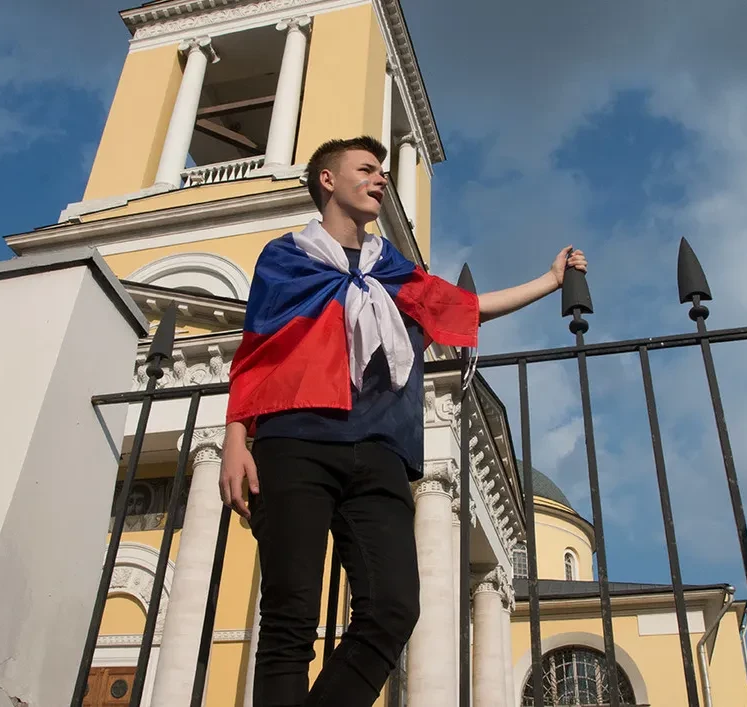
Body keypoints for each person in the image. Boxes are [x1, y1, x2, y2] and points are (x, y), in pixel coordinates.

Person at [219, 135, 587, 707]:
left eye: (383, 171)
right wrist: (235, 438)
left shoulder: (393, 270)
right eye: (366, 168)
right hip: (295, 440)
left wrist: (550, 281)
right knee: (290, 616)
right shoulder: (285, 257)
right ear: (328, 181)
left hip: (379, 450)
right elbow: (257, 351)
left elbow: (466, 308)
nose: (380, 177)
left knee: (393, 607)